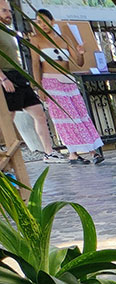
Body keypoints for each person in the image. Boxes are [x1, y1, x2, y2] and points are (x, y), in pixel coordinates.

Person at [29, 8, 102, 163]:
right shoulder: (35, 40)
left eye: (45, 21)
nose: (42, 25)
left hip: (68, 80)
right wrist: (38, 86)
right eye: (39, 22)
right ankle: (78, 152)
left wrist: (80, 52)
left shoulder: (64, 38)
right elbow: (35, 64)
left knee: (80, 114)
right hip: (50, 82)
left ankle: (86, 151)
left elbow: (78, 62)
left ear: (52, 21)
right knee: (64, 117)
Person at [0, 0, 59, 162]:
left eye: (9, 11)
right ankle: (6, 152)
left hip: (19, 75)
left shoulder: (7, 30)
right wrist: (3, 78)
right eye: (4, 11)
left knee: (39, 112)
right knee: (8, 117)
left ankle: (49, 152)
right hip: (6, 76)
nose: (8, 14)